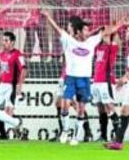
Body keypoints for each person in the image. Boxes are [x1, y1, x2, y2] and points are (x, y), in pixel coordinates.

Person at [42, 11, 125, 146]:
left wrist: (121, 22)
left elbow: (108, 31)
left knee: (81, 109)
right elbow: (57, 29)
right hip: (70, 78)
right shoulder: (69, 41)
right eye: (86, 30)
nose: (89, 32)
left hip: (85, 79)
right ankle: (65, 130)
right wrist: (47, 16)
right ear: (79, 32)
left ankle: (75, 135)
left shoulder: (92, 42)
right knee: (65, 106)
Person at [0, 31, 26, 139]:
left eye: (6, 40)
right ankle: (3, 134)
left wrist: (19, 85)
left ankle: (20, 128)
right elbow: (2, 70)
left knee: (8, 113)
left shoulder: (17, 54)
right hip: (2, 85)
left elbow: (24, 70)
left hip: (11, 86)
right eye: (3, 40)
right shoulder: (2, 54)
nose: (3, 43)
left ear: (12, 42)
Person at [92, 30, 120, 142]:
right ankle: (103, 136)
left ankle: (118, 136)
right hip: (96, 81)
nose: (104, 35)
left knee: (109, 106)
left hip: (106, 81)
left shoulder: (112, 47)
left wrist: (114, 31)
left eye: (107, 34)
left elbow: (116, 38)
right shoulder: (98, 47)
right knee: (100, 108)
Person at [105, 27, 129, 150]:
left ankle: (118, 141)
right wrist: (123, 79)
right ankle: (118, 141)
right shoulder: (127, 50)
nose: (126, 34)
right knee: (125, 111)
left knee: (125, 110)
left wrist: (125, 78)